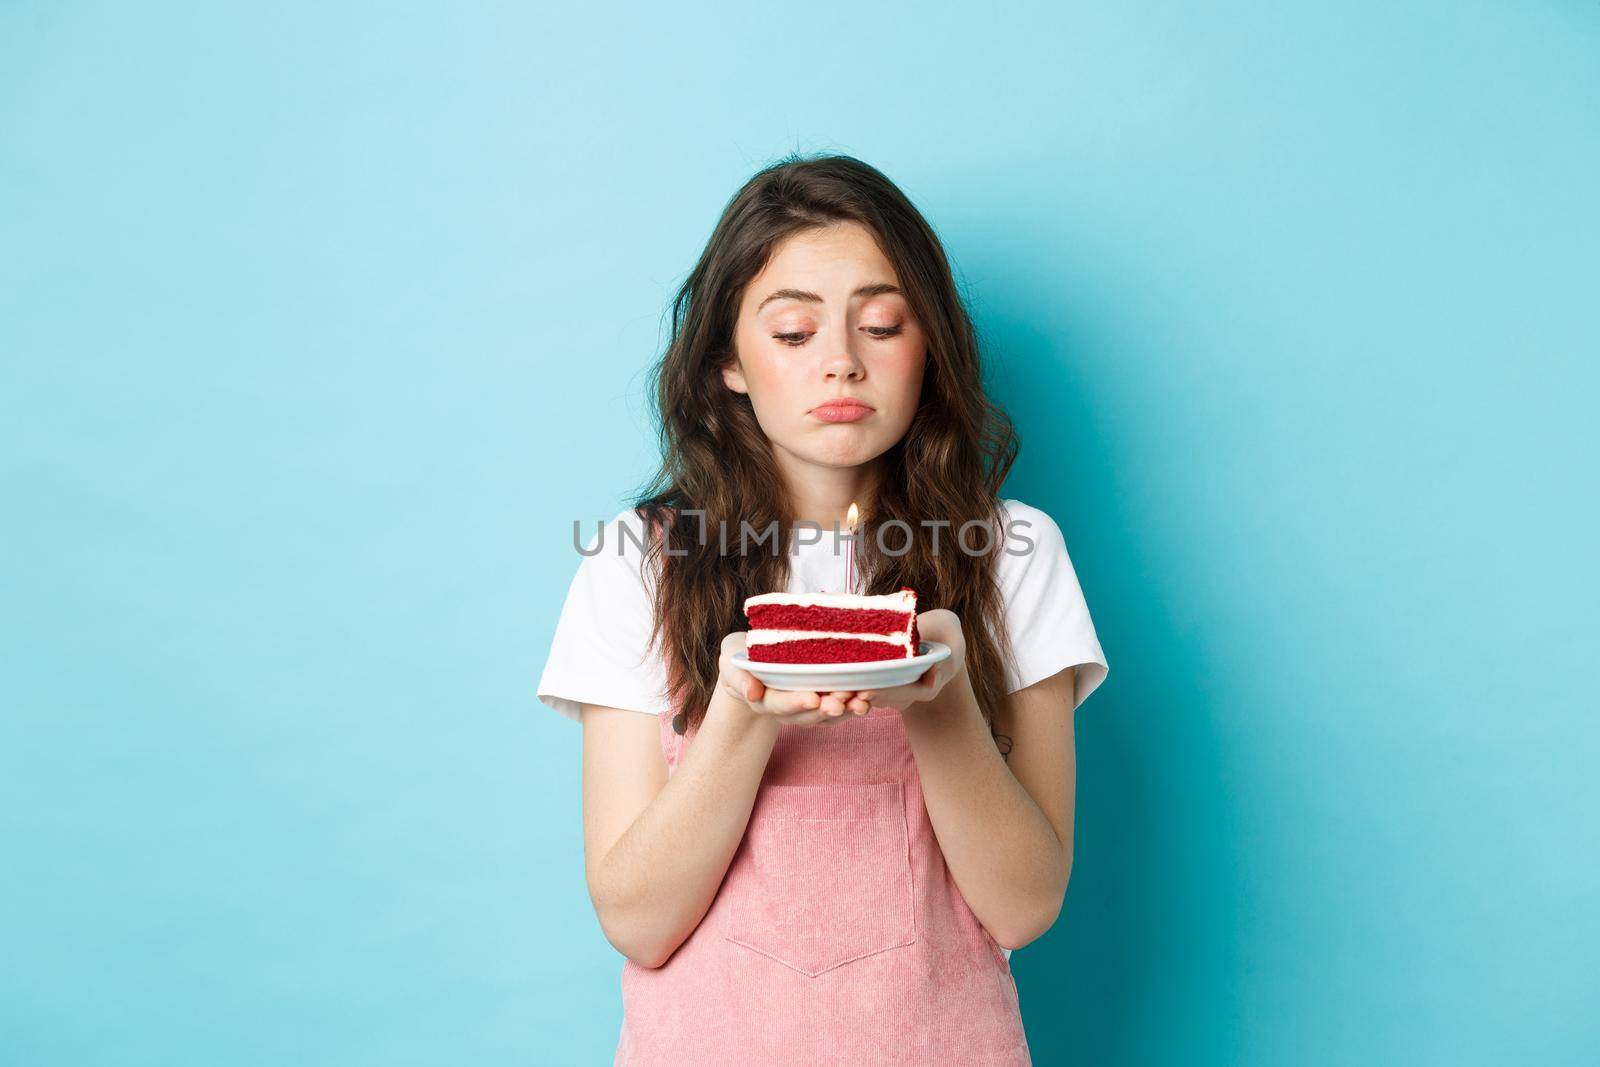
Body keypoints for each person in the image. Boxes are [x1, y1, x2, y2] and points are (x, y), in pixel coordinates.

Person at [537, 153, 1109, 1065]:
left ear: (931, 346)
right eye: (795, 332)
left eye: (883, 324)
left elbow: (1026, 905)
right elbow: (638, 921)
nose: (842, 361)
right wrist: (742, 711)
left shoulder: (1013, 551)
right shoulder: (633, 562)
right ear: (727, 360)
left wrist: (944, 698)